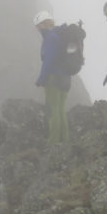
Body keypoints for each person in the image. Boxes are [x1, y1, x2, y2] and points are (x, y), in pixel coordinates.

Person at [33, 11, 71, 144]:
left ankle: (54, 141)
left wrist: (41, 79)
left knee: (52, 109)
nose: (38, 29)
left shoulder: (50, 38)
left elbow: (48, 60)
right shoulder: (60, 35)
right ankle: (64, 140)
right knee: (60, 109)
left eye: (38, 26)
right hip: (66, 78)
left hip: (54, 78)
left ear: (44, 24)